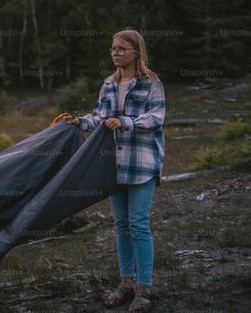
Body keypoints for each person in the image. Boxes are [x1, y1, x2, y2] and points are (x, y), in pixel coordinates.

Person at [63, 29, 165, 312]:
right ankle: (126, 284)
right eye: (113, 49)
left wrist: (126, 122)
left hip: (142, 164)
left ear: (136, 52)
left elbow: (156, 118)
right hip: (114, 166)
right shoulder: (108, 84)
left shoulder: (151, 84)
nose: (116, 53)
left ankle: (144, 289)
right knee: (120, 226)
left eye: (121, 49)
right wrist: (78, 121)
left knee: (139, 225)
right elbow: (99, 118)